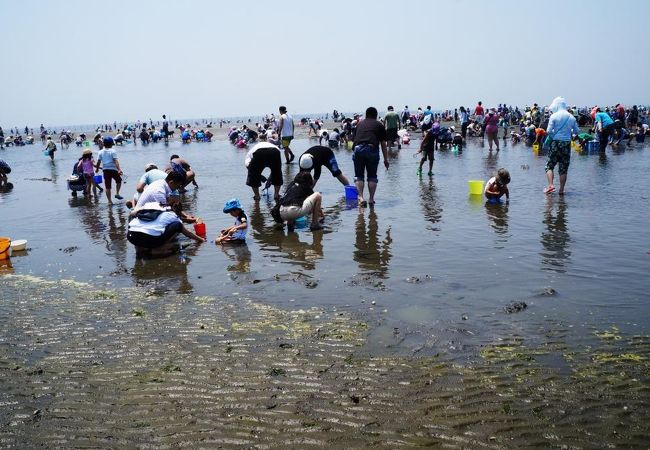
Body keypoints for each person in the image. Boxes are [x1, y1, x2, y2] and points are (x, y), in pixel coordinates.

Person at [127, 202, 205, 258]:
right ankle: (151, 251)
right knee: (178, 225)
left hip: (131, 236)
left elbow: (132, 215)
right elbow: (187, 232)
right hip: (150, 240)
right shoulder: (172, 215)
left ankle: (139, 251)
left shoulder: (152, 207)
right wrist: (201, 239)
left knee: (139, 228)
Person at [352, 107, 389, 207]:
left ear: (366, 114)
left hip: (358, 148)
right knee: (372, 176)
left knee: (359, 176)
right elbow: (383, 144)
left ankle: (361, 198)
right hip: (372, 149)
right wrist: (386, 159)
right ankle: (371, 199)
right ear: (376, 115)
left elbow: (354, 140)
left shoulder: (359, 124)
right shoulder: (379, 125)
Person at [544, 96, 580, 195]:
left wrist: (554, 135)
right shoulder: (571, 117)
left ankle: (551, 185)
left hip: (555, 143)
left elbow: (548, 131)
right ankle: (561, 190)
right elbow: (577, 131)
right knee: (563, 168)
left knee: (549, 166)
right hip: (566, 144)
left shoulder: (554, 116)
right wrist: (569, 131)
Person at [95, 136, 123, 204]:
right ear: (111, 144)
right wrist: (119, 169)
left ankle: (109, 201)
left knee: (108, 186)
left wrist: (97, 169)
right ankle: (117, 193)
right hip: (113, 169)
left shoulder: (100, 152)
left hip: (105, 170)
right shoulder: (113, 151)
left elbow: (98, 162)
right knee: (119, 181)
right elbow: (115, 161)